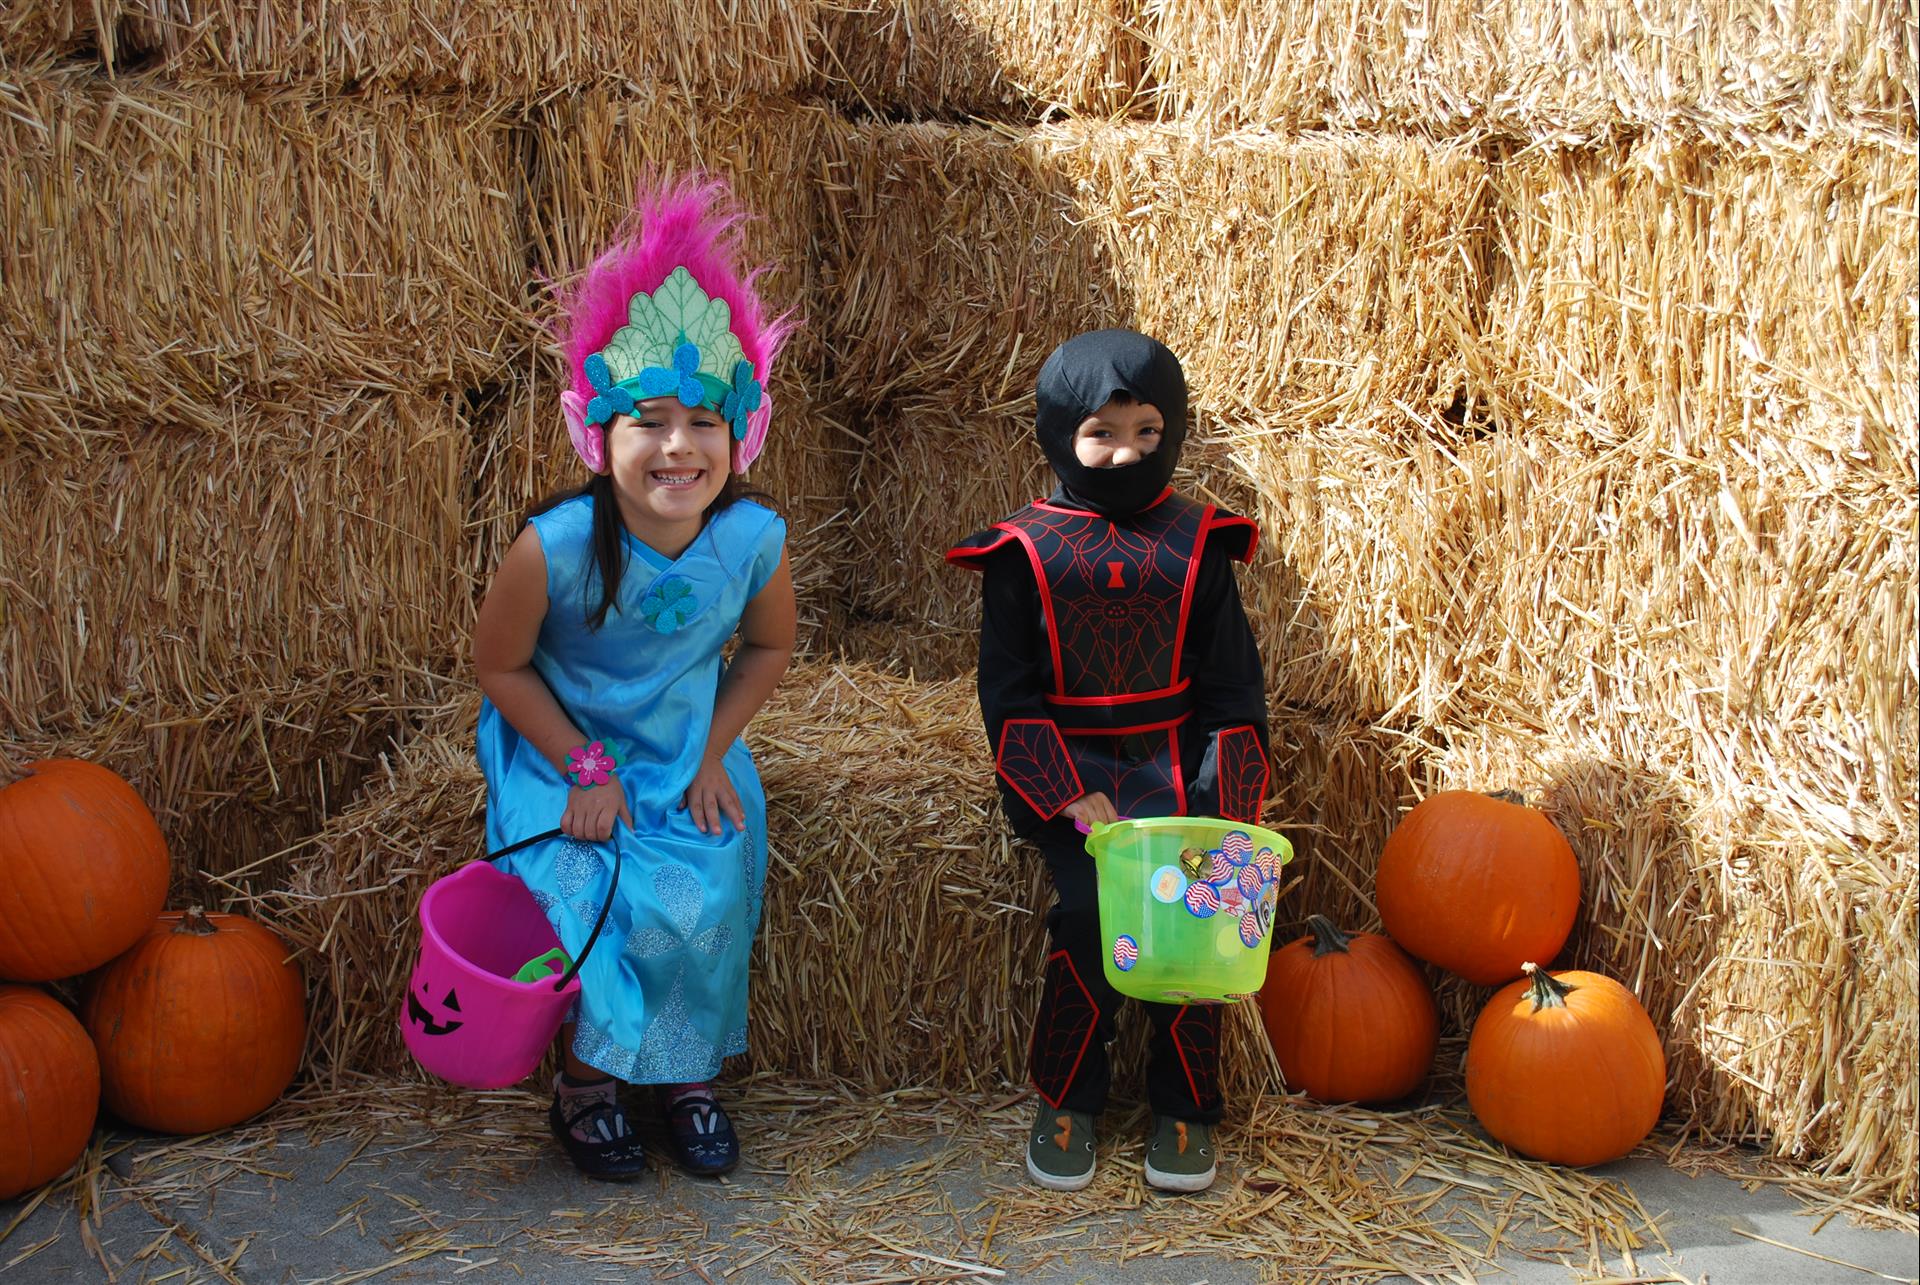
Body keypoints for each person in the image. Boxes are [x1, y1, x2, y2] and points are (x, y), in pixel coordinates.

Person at [472, 178, 797, 1181]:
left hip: (681, 743)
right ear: (595, 431)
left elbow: (768, 650)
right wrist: (581, 766)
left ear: (742, 429)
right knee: (589, 887)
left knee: (702, 884)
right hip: (566, 739)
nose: (677, 446)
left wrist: (711, 753)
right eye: (648, 421)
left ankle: (687, 1077)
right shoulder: (554, 547)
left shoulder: (751, 540)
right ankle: (590, 1081)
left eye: (703, 420)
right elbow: (500, 664)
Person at [947, 329, 1270, 1194]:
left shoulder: (1200, 542)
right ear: (1059, 434)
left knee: (1200, 908)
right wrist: (1068, 797)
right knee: (1097, 912)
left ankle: (1187, 1104)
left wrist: (1219, 804)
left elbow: (1235, 690)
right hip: (1074, 776)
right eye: (1101, 433)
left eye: (1148, 434)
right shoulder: (1022, 551)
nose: (1125, 453)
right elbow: (1007, 696)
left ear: (1175, 431)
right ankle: (1067, 1096)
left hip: (1179, 770)